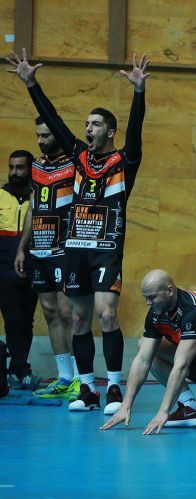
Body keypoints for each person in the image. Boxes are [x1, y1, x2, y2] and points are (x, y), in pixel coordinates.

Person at [7, 49, 150, 415]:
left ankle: (114, 386)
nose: (88, 129)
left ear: (110, 132)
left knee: (107, 314)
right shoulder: (78, 156)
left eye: (95, 124)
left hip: (106, 249)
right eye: (86, 124)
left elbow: (136, 131)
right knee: (77, 319)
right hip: (75, 248)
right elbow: (53, 120)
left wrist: (139, 92)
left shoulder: (124, 161)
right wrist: (31, 84)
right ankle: (87, 389)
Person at [101, 270, 196, 434]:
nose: (148, 303)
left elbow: (181, 365)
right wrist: (126, 406)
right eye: (145, 297)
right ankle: (190, 407)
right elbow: (142, 360)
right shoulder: (156, 313)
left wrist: (163, 411)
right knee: (145, 346)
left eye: (152, 297)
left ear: (170, 290)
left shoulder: (194, 310)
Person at [15, 118, 80, 400]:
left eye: (45, 136)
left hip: (65, 249)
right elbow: (33, 208)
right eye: (38, 136)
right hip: (39, 249)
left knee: (68, 313)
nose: (40, 141)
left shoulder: (75, 163)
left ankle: (81, 379)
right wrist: (22, 247)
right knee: (50, 312)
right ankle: (64, 377)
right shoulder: (38, 165)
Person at [0, 150, 38, 390]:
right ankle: (21, 370)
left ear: (31, 170)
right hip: (4, 272)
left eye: (20, 167)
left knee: (26, 322)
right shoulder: (0, 196)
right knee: (13, 321)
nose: (14, 172)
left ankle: (17, 369)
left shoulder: (39, 197)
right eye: (12, 167)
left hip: (33, 269)